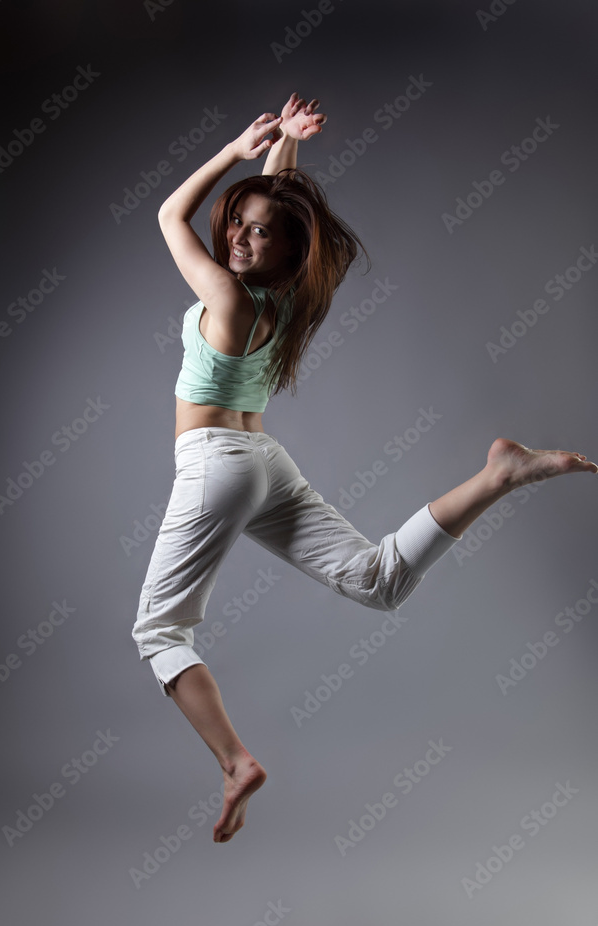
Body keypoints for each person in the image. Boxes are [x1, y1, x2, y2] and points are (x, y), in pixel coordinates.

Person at [132, 92, 597, 844]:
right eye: (238, 227)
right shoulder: (281, 297)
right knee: (376, 581)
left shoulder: (222, 294)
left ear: (286, 251)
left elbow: (165, 216)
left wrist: (232, 151)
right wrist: (283, 146)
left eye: (260, 235)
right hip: (260, 462)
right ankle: (499, 475)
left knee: (158, 632)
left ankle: (233, 761)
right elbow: (278, 209)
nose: (243, 240)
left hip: (216, 466)